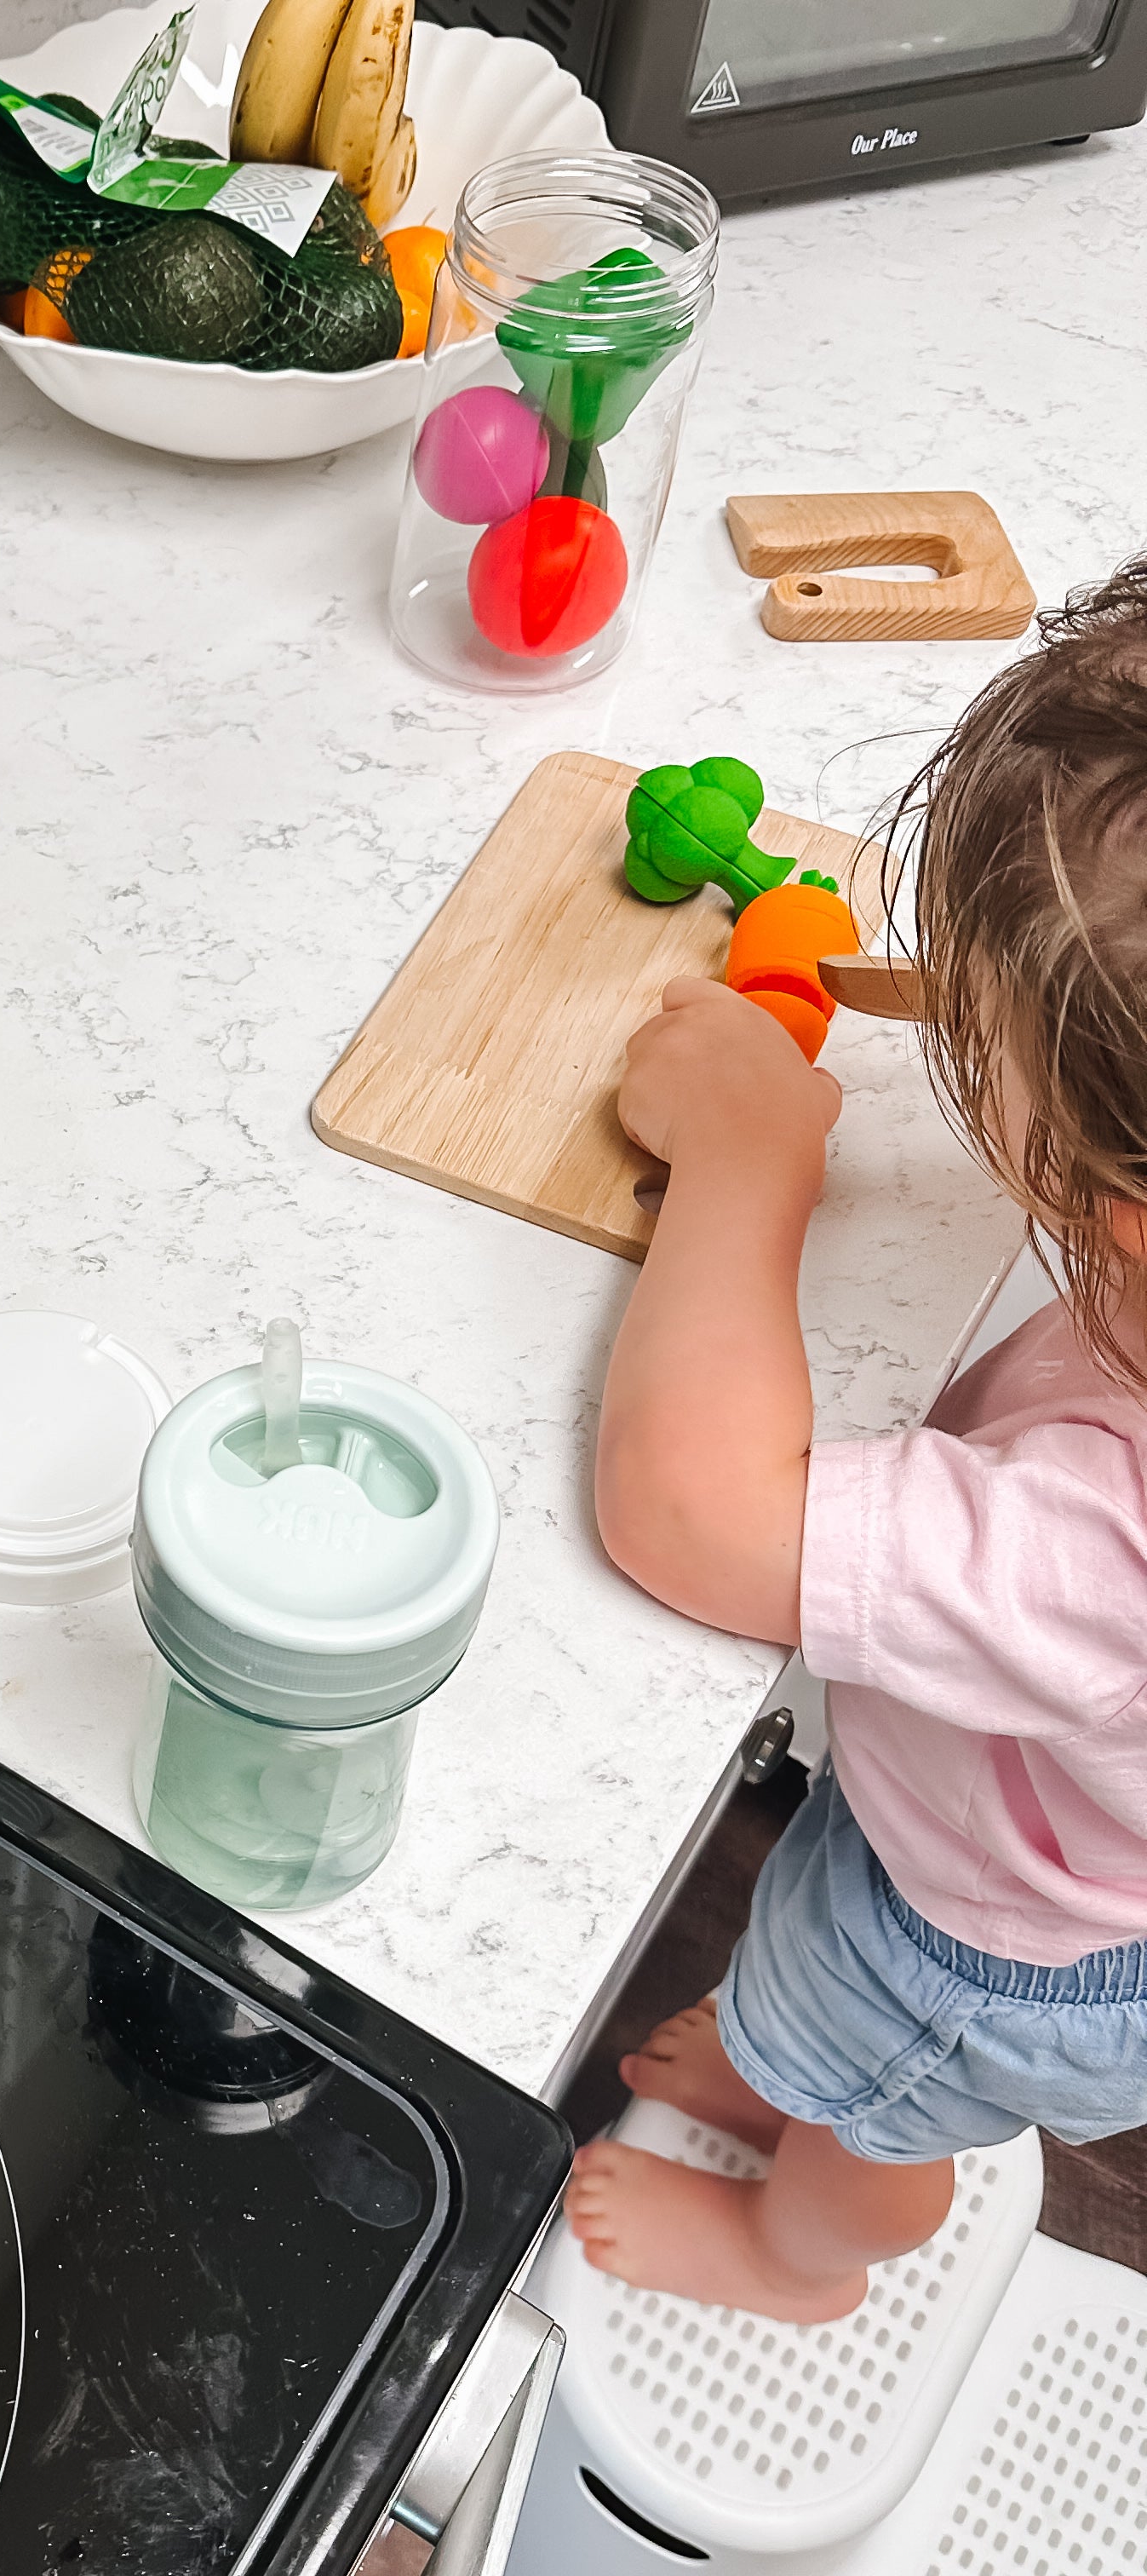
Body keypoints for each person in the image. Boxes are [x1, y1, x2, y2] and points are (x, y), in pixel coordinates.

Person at [568, 559, 1147, 2323]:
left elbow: (697, 1515)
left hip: (985, 1946)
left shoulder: (1115, 1544)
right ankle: (779, 2046)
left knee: (873, 2131)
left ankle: (793, 2255)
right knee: (797, 1992)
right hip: (1004, 1806)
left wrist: (750, 1161)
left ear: (1097, 1186)